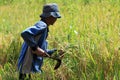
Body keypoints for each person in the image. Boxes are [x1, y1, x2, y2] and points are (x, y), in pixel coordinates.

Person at [18, 3, 62, 80]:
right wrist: (36, 48)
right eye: (55, 17)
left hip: (32, 67)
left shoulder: (44, 29)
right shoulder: (42, 25)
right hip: (27, 66)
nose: (56, 19)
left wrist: (55, 51)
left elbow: (42, 51)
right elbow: (25, 33)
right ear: (50, 16)